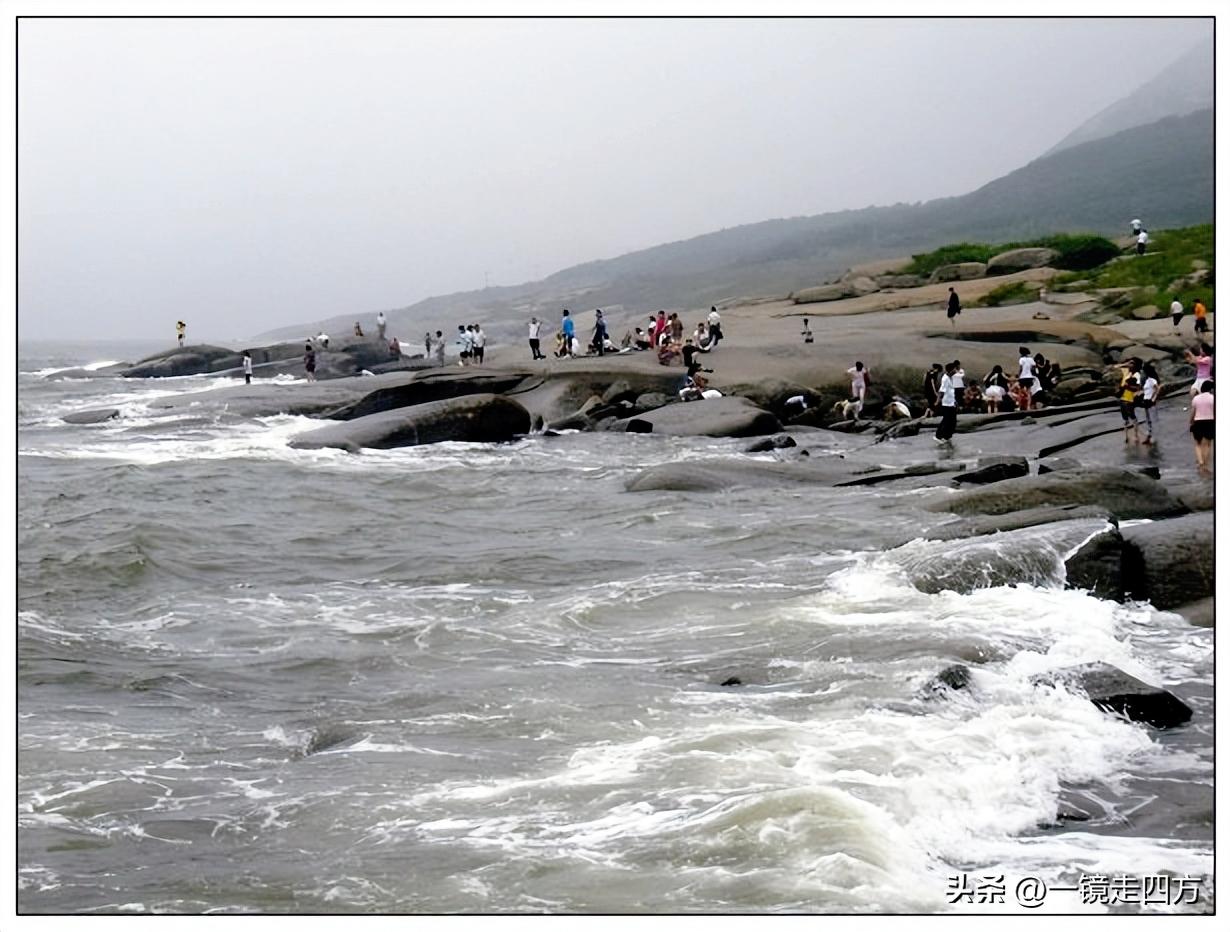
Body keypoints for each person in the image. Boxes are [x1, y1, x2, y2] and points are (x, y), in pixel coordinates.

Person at [1189, 379, 1215, 476]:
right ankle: (1205, 465)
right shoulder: (1213, 398)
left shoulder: (1196, 399)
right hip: (1210, 421)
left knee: (1197, 444)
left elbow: (1193, 412)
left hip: (1198, 421)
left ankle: (1200, 462)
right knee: (1208, 445)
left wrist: (1190, 422)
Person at [1138, 361, 1161, 444]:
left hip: (1151, 401)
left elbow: (1157, 389)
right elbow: (1146, 390)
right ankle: (1148, 436)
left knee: (1153, 419)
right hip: (1146, 400)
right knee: (1147, 419)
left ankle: (1153, 437)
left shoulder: (1152, 380)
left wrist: (1153, 398)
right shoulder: (1147, 380)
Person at [935, 362, 958, 445]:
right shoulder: (945, 378)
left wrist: (955, 401)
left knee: (952, 421)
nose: (956, 370)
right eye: (955, 369)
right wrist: (937, 401)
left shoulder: (950, 378)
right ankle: (939, 436)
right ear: (951, 370)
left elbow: (951, 391)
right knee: (946, 420)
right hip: (946, 404)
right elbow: (941, 391)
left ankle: (947, 436)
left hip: (951, 402)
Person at [1118, 376, 1141, 444]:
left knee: (1126, 421)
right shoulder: (1135, 388)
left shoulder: (1124, 387)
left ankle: (1126, 437)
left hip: (1122, 403)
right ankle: (1136, 436)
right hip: (1128, 404)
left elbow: (1118, 394)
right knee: (1134, 420)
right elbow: (1137, 391)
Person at [1016, 347, 1036, 411]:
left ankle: (1019, 406)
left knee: (1020, 392)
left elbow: (1021, 368)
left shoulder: (1021, 359)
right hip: (1029, 376)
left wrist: (1018, 375)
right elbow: (1033, 367)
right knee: (1029, 391)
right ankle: (1028, 406)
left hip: (1022, 377)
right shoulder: (1031, 359)